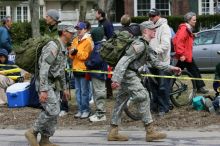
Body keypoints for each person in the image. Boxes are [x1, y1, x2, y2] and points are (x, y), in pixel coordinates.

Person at [107, 21, 181, 142]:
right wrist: (116, 79)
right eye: (152, 29)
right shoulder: (139, 45)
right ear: (145, 31)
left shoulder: (146, 45)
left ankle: (113, 131)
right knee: (144, 96)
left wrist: (171, 68)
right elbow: (123, 61)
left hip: (129, 74)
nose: (155, 31)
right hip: (128, 74)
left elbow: (155, 62)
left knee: (120, 101)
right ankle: (150, 131)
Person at [24, 23, 73, 146]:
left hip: (54, 84)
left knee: (55, 113)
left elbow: (61, 70)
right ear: (63, 32)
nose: (73, 34)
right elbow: (44, 69)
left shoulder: (63, 47)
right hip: (45, 83)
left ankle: (45, 139)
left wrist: (65, 88)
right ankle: (32, 131)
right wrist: (43, 90)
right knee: (52, 110)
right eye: (71, 32)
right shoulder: (53, 46)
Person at [173, 12, 209, 94]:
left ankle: (168, 86)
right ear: (189, 20)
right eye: (194, 20)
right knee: (194, 70)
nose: (195, 21)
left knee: (177, 71)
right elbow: (178, 41)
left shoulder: (187, 28)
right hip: (184, 56)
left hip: (186, 55)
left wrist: (192, 35)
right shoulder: (184, 29)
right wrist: (181, 54)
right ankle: (200, 87)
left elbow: (185, 39)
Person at [148, 8, 172, 116]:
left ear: (158, 16)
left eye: (153, 16)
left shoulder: (164, 27)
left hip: (162, 61)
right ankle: (155, 105)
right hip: (152, 62)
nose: (151, 18)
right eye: (150, 16)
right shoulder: (150, 26)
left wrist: (155, 51)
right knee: (153, 85)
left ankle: (164, 108)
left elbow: (166, 44)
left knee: (163, 86)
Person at [69, 22, 93, 119]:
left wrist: (76, 52)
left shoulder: (88, 41)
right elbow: (71, 56)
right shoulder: (75, 40)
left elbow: (85, 56)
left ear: (85, 30)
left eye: (80, 29)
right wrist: (72, 53)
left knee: (84, 91)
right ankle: (80, 110)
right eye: (77, 28)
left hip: (84, 69)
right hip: (75, 68)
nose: (78, 30)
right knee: (78, 91)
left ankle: (86, 110)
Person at [86, 27, 108, 122]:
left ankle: (101, 114)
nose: (91, 37)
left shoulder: (99, 46)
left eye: (92, 35)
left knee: (99, 93)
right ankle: (99, 112)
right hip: (96, 74)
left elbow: (96, 61)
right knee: (97, 93)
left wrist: (87, 63)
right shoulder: (99, 45)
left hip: (98, 74)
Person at [95, 9, 114, 99]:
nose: (95, 14)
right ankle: (106, 91)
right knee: (103, 71)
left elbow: (111, 37)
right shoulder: (100, 23)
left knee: (108, 72)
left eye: (96, 13)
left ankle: (109, 93)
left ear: (100, 14)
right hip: (101, 51)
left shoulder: (107, 23)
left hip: (108, 52)